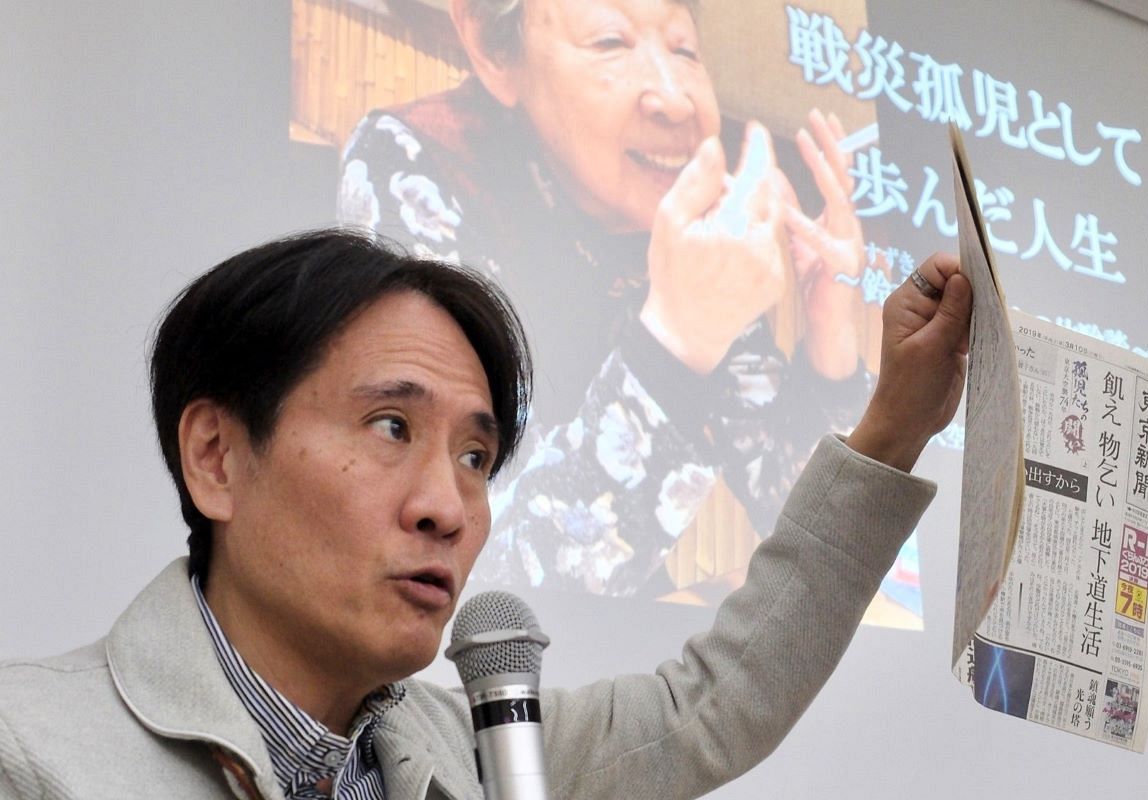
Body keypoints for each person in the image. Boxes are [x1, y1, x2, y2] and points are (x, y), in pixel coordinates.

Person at [0, 228, 971, 799]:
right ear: (217, 457)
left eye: (475, 457)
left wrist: (895, 427)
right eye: (390, 427)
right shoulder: (29, 749)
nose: (447, 507)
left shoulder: (486, 753)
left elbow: (711, 706)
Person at [339, 0, 876, 595]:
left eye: (684, 50)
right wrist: (681, 337)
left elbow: (816, 524)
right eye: (610, 42)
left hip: (630, 641)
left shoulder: (686, 221)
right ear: (495, 51)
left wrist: (832, 333)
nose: (674, 98)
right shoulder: (421, 159)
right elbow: (482, 579)